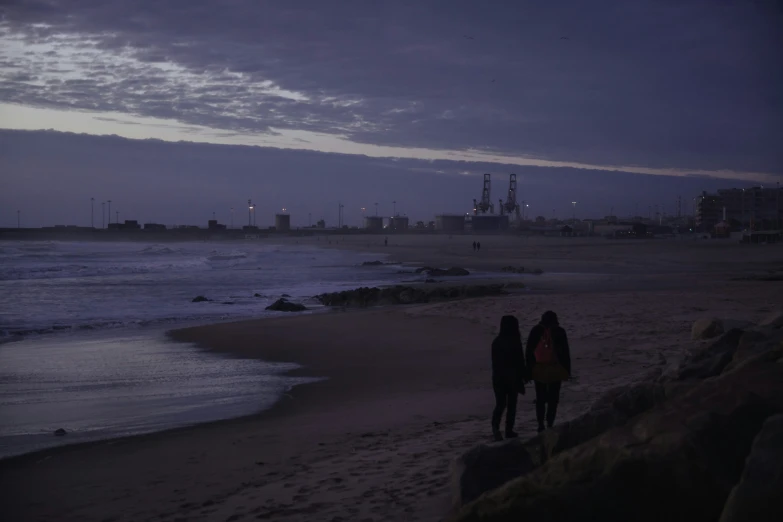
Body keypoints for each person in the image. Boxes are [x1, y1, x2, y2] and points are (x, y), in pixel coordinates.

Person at [526, 311, 571, 432]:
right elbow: (565, 353)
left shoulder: (535, 331)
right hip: (555, 368)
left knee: (540, 397)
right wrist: (567, 370)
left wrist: (528, 371)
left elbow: (529, 351)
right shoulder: (560, 331)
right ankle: (550, 423)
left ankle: (540, 424)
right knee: (553, 398)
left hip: (539, 368)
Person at [491, 315, 526, 441]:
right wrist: (524, 376)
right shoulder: (515, 341)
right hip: (512, 378)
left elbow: (495, 363)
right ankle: (508, 430)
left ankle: (495, 427)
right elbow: (520, 362)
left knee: (500, 404)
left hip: (498, 378)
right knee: (511, 405)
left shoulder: (496, 342)